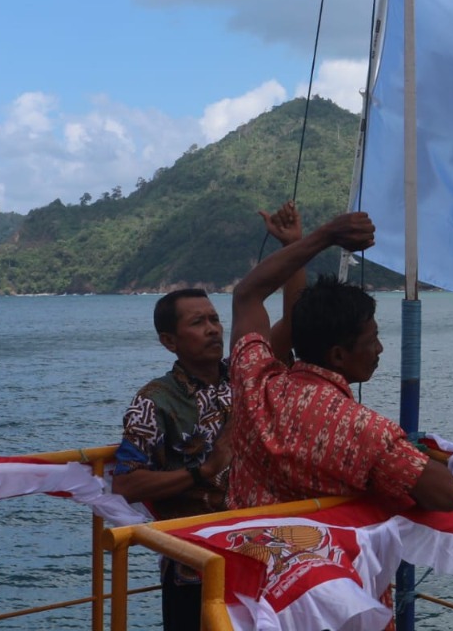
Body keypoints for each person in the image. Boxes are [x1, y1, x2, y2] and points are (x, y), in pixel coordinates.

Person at [112, 204, 306, 631]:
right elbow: (125, 483)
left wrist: (295, 248)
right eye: (198, 323)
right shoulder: (155, 402)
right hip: (194, 568)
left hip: (262, 553)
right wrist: (207, 469)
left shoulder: (246, 373)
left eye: (216, 319)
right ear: (169, 341)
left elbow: (296, 322)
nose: (214, 329)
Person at [227, 210, 453, 514]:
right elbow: (447, 496)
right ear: (338, 354)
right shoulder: (368, 433)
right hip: (316, 558)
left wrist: (321, 237)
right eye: (372, 340)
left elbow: (247, 294)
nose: (379, 349)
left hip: (241, 553)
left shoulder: (254, 385)